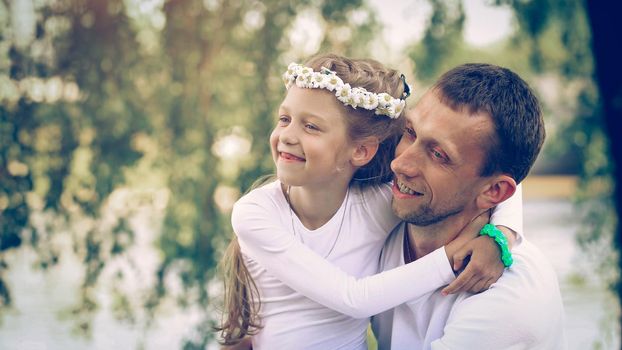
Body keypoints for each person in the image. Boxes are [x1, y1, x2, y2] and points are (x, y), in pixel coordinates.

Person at [217, 54, 524, 349]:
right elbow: (354, 299)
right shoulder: (255, 213)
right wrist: (452, 256)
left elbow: (492, 181)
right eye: (284, 118)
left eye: (311, 126)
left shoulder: (375, 206)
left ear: (361, 151)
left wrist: (501, 237)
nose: (287, 135)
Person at [371, 63, 567, 349]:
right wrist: (504, 229)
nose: (399, 164)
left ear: (494, 191)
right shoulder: (385, 213)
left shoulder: (508, 301)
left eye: (438, 155)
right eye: (410, 132)